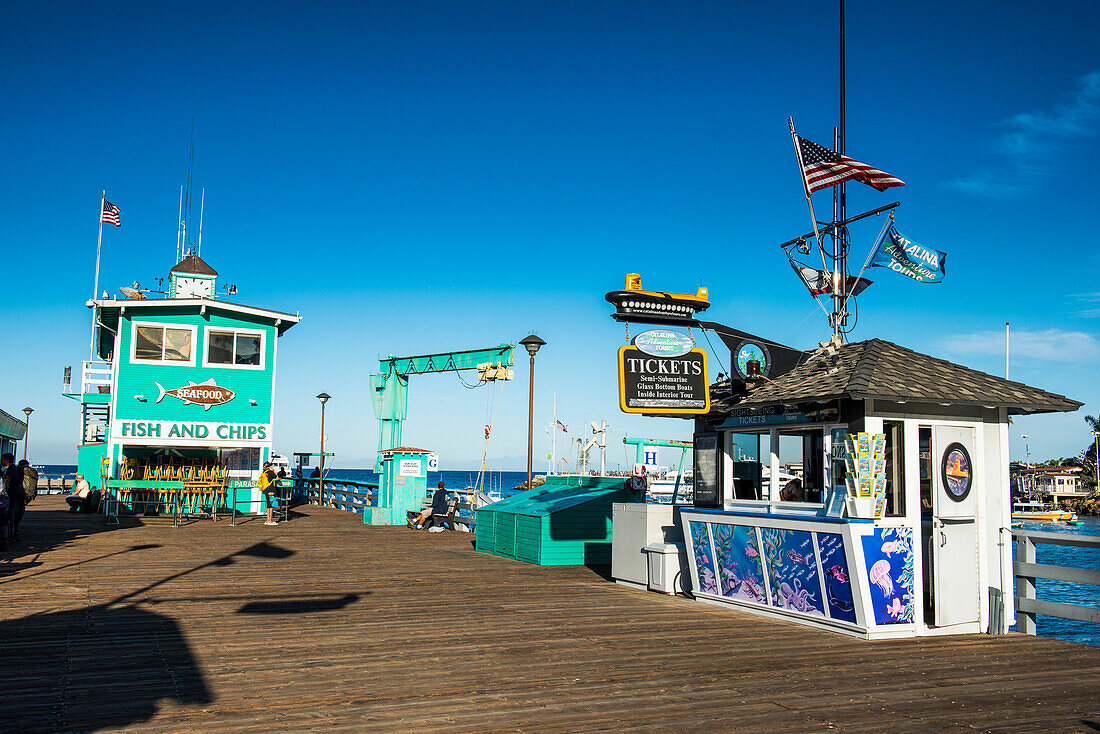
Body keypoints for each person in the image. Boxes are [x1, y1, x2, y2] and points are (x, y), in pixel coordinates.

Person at [1, 454, 23, 543]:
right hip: (13, 497)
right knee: (11, 518)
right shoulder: (14, 469)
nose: (1, 461)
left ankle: (10, 537)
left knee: (9, 519)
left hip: (10, 498)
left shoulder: (10, 471)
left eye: (2, 459)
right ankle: (11, 536)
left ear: (6, 460)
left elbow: (7, 485)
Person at [259, 461, 280, 526]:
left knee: (268, 504)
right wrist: (273, 471)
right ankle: (270, 520)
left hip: (265, 490)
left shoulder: (263, 473)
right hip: (271, 490)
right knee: (271, 505)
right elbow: (277, 478)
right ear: (269, 467)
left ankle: (267, 519)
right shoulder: (270, 472)